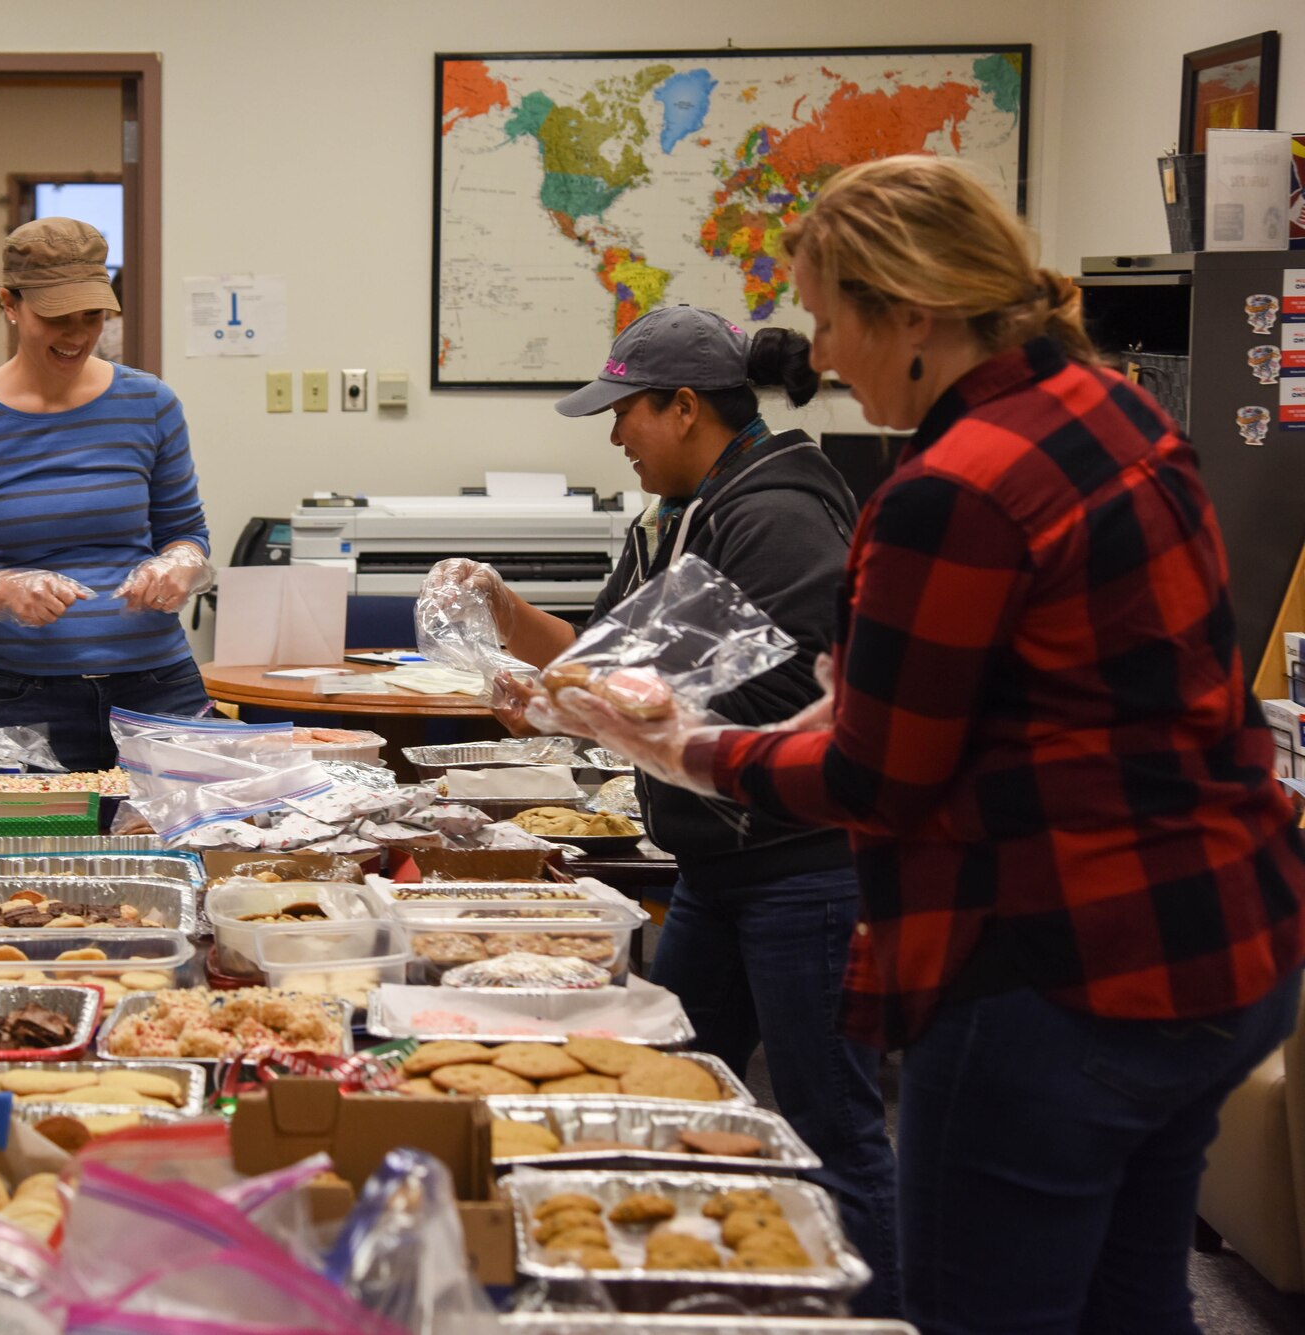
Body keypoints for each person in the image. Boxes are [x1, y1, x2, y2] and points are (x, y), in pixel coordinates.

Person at [556, 156, 1305, 1334]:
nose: (818, 357)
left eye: (827, 317)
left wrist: (685, 750)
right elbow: (953, 697)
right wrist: (750, 722)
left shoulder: (950, 488)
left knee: (979, 1305)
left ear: (908, 314)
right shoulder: (1110, 410)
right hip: (1227, 942)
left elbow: (872, 777)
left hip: (1058, 970)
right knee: (1129, 1298)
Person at [423, 303, 899, 1313]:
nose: (612, 437)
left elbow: (796, 705)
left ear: (683, 408)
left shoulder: (773, 514)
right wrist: (508, 621)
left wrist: (592, 709)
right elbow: (603, 658)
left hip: (798, 870)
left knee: (828, 1124)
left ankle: (879, 1310)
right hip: (714, 872)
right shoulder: (676, 513)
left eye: (624, 414)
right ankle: (705, 1299)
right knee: (664, 1090)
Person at [0, 218, 213, 770]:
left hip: (159, 688)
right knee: (37, 852)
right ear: (10, 304)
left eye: (91, 316)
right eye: (55, 318)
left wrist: (182, 564)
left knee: (183, 846)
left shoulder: (151, 404)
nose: (75, 335)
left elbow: (185, 534)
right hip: (28, 695)